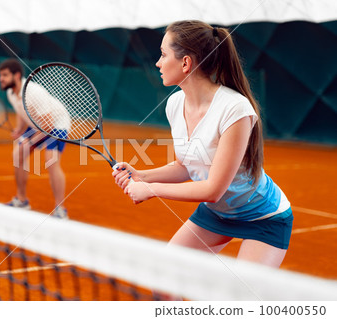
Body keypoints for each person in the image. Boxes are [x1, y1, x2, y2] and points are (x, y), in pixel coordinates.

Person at [113, 20, 293, 268]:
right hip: (216, 213)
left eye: (164, 55)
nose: (158, 63)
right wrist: (142, 176)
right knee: (163, 279)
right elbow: (185, 166)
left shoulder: (235, 109)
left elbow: (213, 189)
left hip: (264, 217)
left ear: (186, 63)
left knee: (242, 299)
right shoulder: (175, 104)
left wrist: (152, 189)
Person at [0, 59, 68, 219]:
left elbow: (49, 124)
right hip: (38, 124)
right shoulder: (11, 93)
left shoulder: (32, 92)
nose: (1, 79)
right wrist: (19, 130)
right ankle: (22, 200)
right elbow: (22, 113)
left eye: (5, 75)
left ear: (16, 75)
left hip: (57, 123)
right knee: (18, 154)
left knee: (51, 161)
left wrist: (30, 141)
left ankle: (60, 209)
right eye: (0, 75)